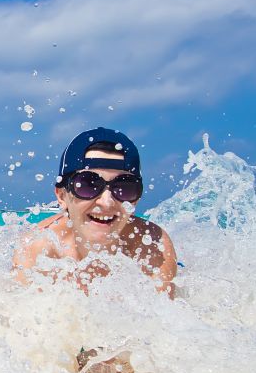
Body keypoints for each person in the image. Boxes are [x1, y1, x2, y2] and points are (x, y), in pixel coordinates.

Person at [13, 127, 177, 298]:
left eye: (124, 187)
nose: (106, 202)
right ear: (62, 196)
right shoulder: (37, 249)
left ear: (135, 199)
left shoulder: (153, 247)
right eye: (88, 185)